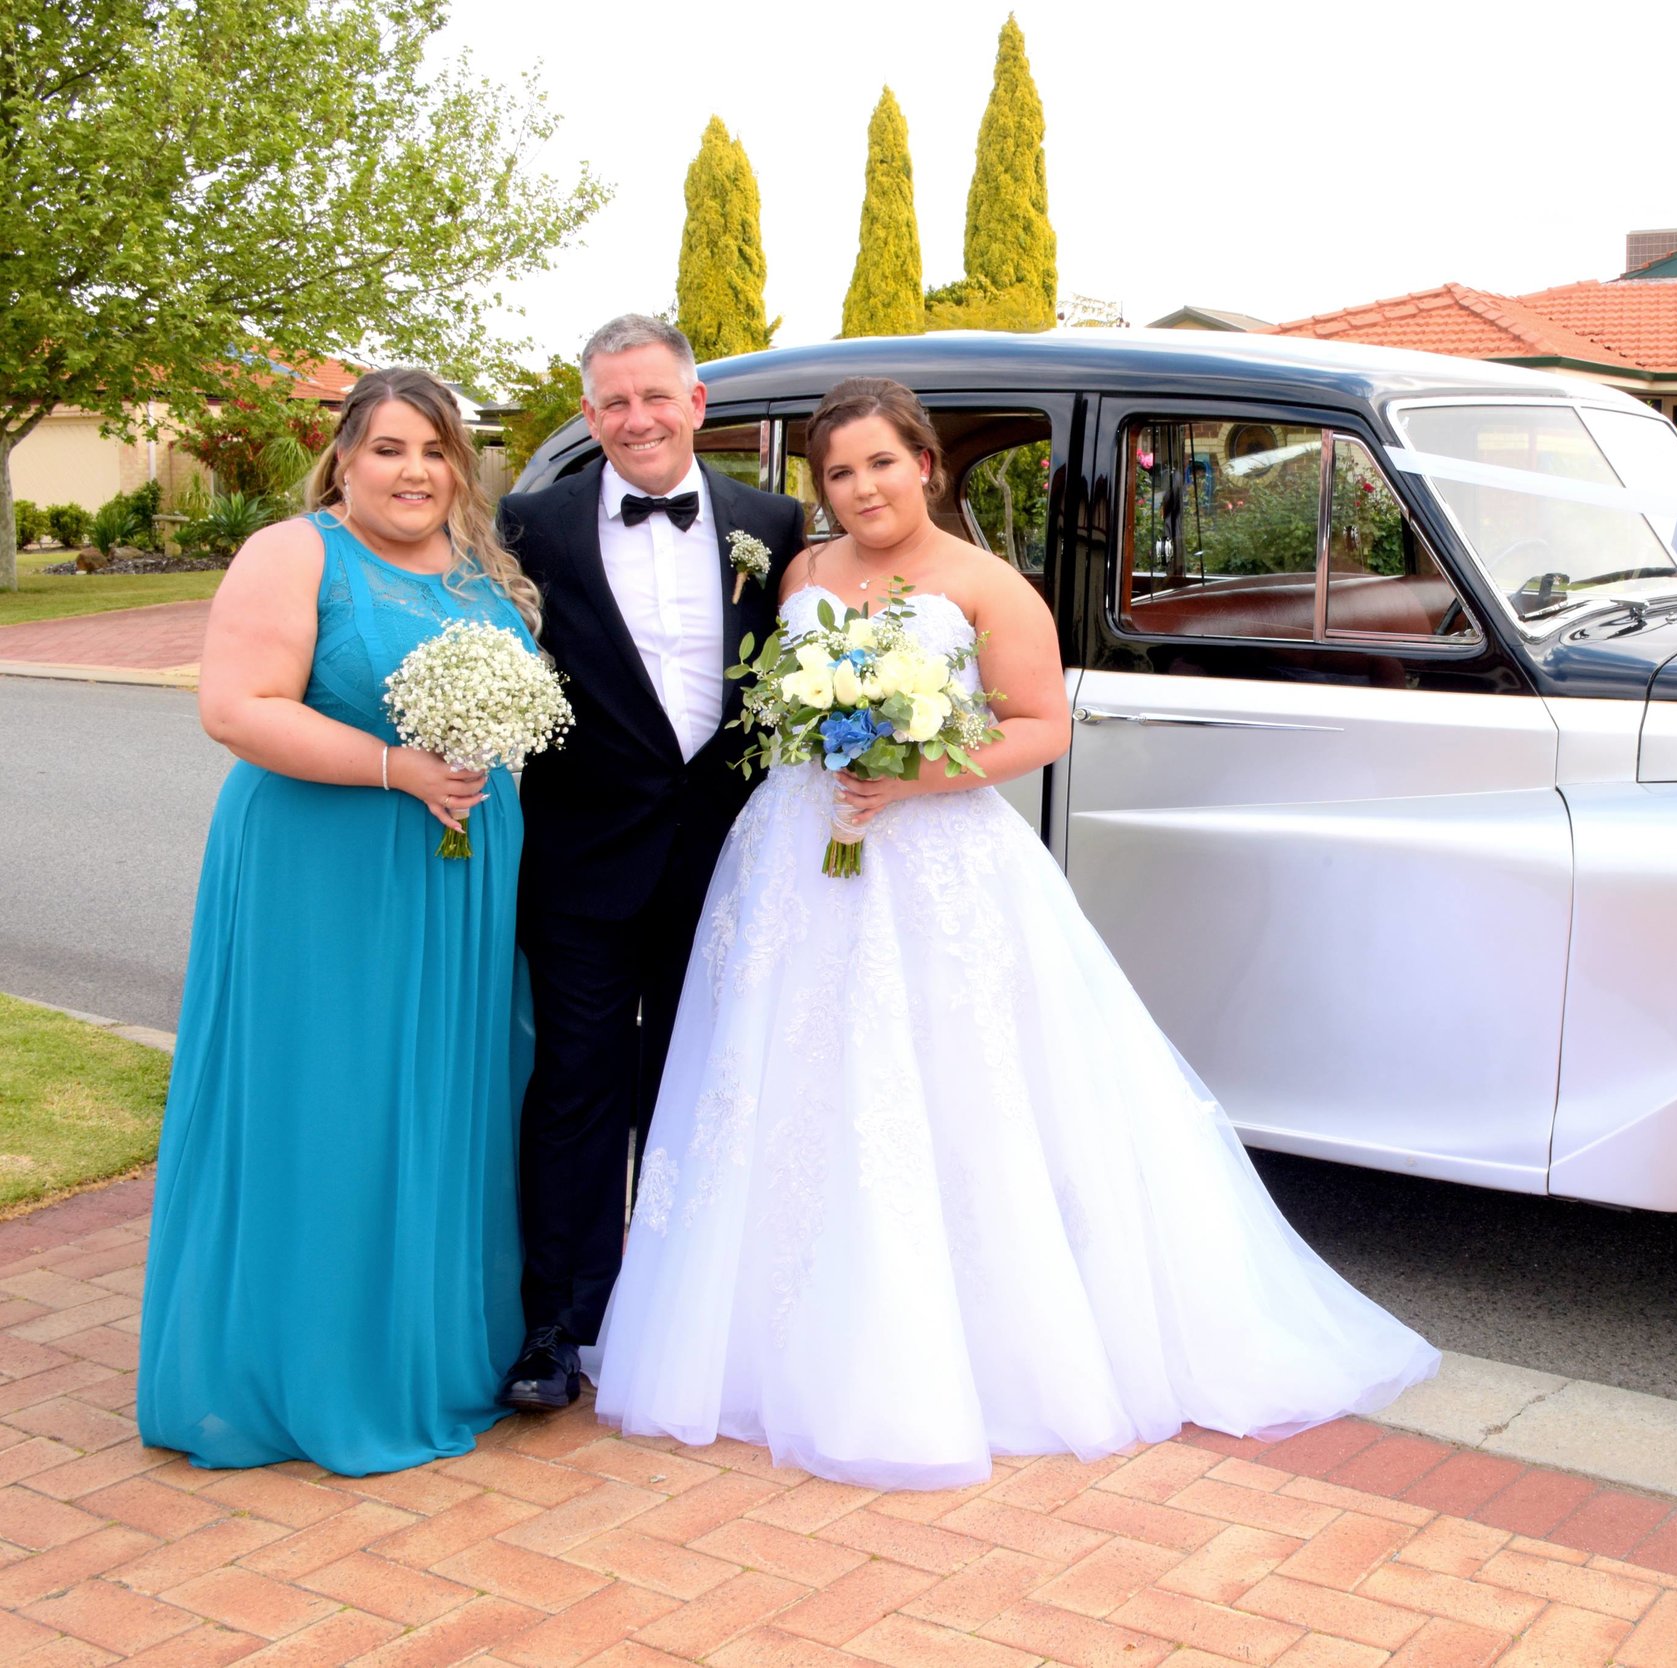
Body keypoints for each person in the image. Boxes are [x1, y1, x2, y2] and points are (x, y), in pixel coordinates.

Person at [588, 378, 1438, 1488]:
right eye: (838, 473)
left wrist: (910, 773)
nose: (861, 488)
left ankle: (955, 1347)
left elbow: (1041, 725)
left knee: (946, 1078)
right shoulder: (799, 573)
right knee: (783, 1078)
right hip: (797, 852)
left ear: (925, 464)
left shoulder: (988, 585)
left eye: (881, 464)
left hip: (935, 852)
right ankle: (772, 1334)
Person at [137, 368, 536, 1473]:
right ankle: (301, 1369)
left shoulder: (474, 569)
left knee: (444, 1098)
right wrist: (396, 768)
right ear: (344, 459)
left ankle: (430, 1353)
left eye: (436, 451)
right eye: (390, 449)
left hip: (457, 868)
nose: (415, 472)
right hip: (326, 869)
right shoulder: (294, 552)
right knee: (330, 1098)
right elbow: (236, 708)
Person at [494, 316, 805, 1410]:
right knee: (575, 1093)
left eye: (654, 397)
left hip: (724, 865)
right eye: (613, 402)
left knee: (700, 1086)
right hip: (580, 865)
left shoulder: (775, 523)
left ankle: (686, 1322)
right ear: (590, 416)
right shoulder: (529, 527)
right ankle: (556, 1330)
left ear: (696, 404)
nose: (636, 419)